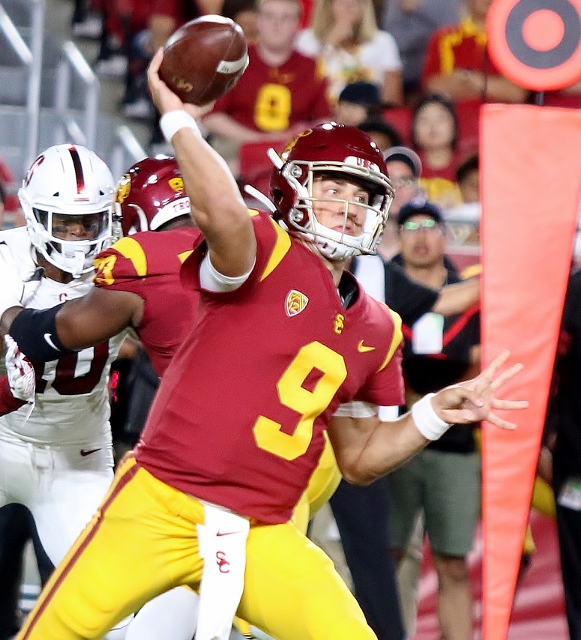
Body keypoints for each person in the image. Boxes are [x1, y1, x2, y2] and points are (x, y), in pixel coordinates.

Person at [6, 49, 526, 640]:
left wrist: (433, 414)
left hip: (263, 530)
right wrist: (179, 121)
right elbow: (221, 214)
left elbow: (360, 459)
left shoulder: (379, 327)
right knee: (51, 632)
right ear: (293, 189)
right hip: (159, 504)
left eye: (362, 195)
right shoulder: (263, 248)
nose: (348, 206)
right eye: (333, 187)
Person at [0, 144, 132, 640]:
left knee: (115, 611)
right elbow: (11, 321)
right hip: (3, 440)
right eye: (65, 223)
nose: (78, 235)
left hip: (76, 457)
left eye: (89, 222)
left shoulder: (126, 262)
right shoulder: (7, 255)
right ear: (34, 217)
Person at [387, 199, 481, 640]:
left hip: (455, 444)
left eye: (429, 226)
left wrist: (441, 401)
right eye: (410, 228)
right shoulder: (381, 287)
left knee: (453, 561)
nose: (420, 237)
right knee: (385, 555)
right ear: (397, 237)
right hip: (391, 441)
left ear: (446, 236)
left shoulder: (470, 295)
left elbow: (485, 360)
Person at [202, 0, 332, 173]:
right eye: (269, 16)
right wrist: (260, 140)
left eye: (285, 18)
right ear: (258, 21)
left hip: (293, 150)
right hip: (237, 145)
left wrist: (296, 136)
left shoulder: (313, 67)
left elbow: (326, 120)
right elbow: (211, 117)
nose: (276, 25)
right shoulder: (235, 60)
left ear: (298, 24)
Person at [540, 268, 581, 640]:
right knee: (577, 563)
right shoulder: (573, 288)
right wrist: (545, 438)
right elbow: (547, 366)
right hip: (575, 457)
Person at [295, 0, 404, 106]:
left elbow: (392, 99)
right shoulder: (305, 40)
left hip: (367, 113)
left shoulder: (383, 42)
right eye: (342, 1)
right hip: (321, 114)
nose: (349, 6)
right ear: (327, 6)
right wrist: (330, 44)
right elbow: (301, 88)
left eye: (356, 1)